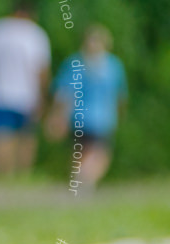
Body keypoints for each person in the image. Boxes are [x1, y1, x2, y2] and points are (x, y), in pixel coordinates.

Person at [46, 25, 127, 192]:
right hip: (102, 118)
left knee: (81, 153)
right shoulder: (113, 65)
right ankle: (85, 179)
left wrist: (58, 116)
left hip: (78, 117)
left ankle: (80, 185)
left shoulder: (74, 62)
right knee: (101, 154)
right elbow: (120, 96)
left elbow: (64, 93)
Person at [0, 5, 51, 177]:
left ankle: (0, 174)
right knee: (26, 136)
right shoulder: (35, 34)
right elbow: (41, 69)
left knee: (0, 134)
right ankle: (23, 174)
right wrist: (43, 95)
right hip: (27, 93)